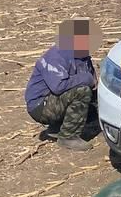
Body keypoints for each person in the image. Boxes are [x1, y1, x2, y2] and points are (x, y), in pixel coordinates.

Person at [25, 18, 99, 151]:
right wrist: (86, 78)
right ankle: (68, 137)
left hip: (56, 99)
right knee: (82, 92)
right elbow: (58, 86)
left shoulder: (82, 56)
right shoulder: (57, 56)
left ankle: (57, 128)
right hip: (40, 106)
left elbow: (93, 81)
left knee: (97, 97)